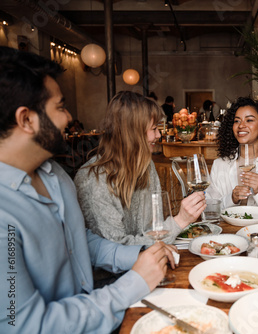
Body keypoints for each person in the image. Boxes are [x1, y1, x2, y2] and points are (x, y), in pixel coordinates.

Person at [0, 46, 173, 332]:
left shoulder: (55, 175)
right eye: (60, 107)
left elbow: (78, 239)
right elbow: (24, 326)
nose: (69, 118)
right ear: (26, 119)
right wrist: (131, 285)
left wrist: (140, 254)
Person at [74, 91, 206, 246]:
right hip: (120, 270)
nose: (158, 135)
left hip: (150, 260)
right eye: (154, 128)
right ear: (133, 133)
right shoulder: (93, 180)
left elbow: (154, 228)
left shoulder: (146, 166)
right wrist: (180, 220)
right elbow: (116, 250)